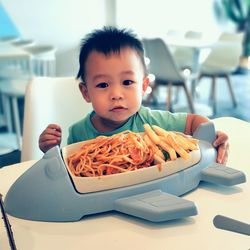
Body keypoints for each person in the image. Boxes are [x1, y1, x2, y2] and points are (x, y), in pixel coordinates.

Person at [39, 26, 229, 164]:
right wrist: (50, 151)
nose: (116, 94)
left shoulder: (151, 121)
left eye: (127, 82)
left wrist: (211, 136)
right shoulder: (78, 133)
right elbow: (68, 171)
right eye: (103, 84)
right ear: (86, 92)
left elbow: (194, 121)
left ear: (144, 86)